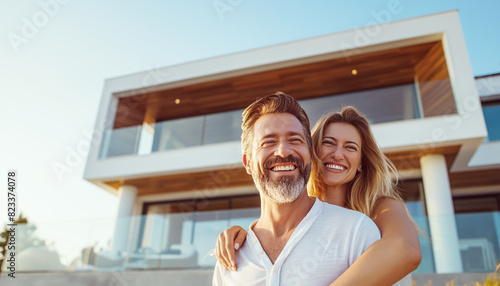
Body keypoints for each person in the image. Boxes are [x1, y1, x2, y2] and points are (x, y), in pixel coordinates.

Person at [215, 105, 422, 286]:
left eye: (350, 147)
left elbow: (406, 249)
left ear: (361, 163)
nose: (338, 154)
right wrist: (245, 234)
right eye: (329, 143)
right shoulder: (301, 208)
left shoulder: (377, 209)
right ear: (312, 153)